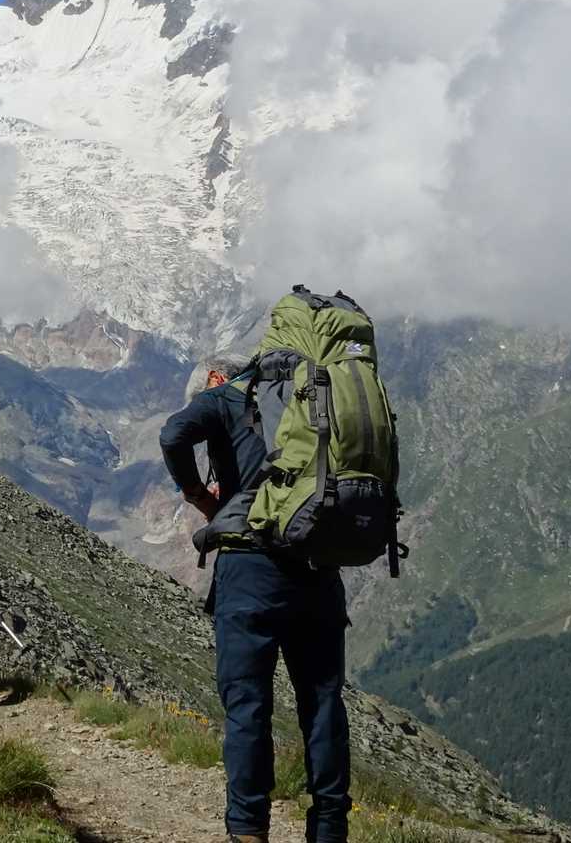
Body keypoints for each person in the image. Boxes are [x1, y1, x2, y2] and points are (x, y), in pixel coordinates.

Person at [159, 355, 351, 843]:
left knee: (248, 705)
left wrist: (200, 496)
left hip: (250, 570)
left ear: (216, 377)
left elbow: (172, 435)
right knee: (323, 704)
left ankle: (248, 830)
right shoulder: (318, 397)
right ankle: (330, 829)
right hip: (318, 568)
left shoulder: (224, 397)